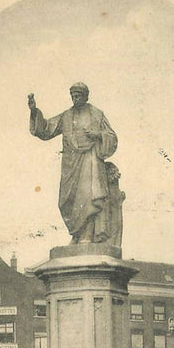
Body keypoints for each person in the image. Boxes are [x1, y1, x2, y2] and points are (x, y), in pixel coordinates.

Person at [28, 83, 120, 245]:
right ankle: (77, 234)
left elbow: (111, 136)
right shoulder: (67, 116)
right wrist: (34, 111)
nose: (75, 99)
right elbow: (47, 129)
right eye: (73, 96)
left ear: (86, 96)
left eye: (78, 96)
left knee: (88, 197)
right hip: (70, 163)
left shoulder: (97, 114)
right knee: (67, 200)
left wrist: (98, 135)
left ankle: (87, 234)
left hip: (90, 160)